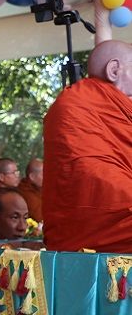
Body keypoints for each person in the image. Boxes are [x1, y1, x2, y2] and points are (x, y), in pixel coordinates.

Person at [43, 39, 132, 252]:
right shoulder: (75, 105)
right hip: (97, 213)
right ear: (114, 70)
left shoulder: (113, 103)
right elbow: (91, 173)